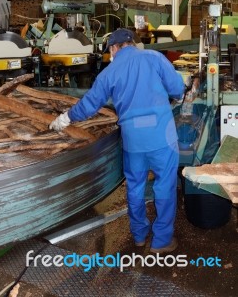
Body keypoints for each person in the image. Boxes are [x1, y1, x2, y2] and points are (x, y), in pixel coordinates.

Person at [49, 28, 185, 253]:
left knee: (135, 186)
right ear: (132, 43)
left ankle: (140, 235)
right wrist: (176, 95)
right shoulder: (153, 57)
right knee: (165, 186)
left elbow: (90, 104)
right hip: (161, 135)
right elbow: (177, 88)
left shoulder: (108, 73)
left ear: (114, 48)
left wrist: (64, 119)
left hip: (133, 139)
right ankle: (161, 241)